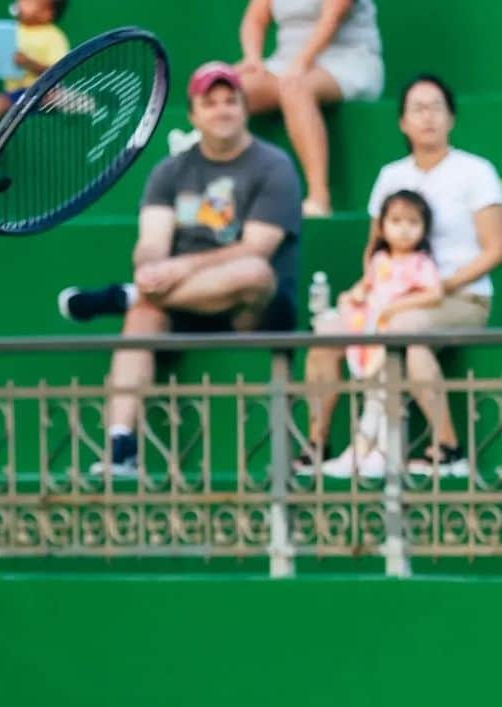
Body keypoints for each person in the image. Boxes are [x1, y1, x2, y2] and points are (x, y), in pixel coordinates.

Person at [57, 62, 302, 474]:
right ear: (193, 115)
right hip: (183, 304)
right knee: (141, 315)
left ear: (244, 108)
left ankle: (124, 295)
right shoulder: (170, 171)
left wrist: (174, 271)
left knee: (254, 272)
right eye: (211, 102)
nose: (222, 110)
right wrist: (152, 268)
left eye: (231, 101)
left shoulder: (273, 166)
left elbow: (257, 248)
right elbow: (151, 242)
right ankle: (121, 445)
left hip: (251, 308)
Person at [301, 74, 502, 478]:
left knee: (405, 332)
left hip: (460, 298)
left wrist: (440, 286)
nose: (427, 117)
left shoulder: (475, 172)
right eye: (417, 108)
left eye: (436, 108)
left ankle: (447, 448)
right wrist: (369, 293)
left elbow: (495, 248)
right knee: (326, 332)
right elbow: (374, 249)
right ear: (402, 122)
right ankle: (318, 445)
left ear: (451, 118)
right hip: (389, 297)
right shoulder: (391, 176)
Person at [317, 190, 443, 478]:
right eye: (396, 220)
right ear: (382, 225)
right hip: (371, 340)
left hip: (392, 340)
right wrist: (351, 298)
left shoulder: (421, 263)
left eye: (412, 222)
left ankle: (388, 452)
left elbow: (434, 293)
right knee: (372, 398)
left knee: (389, 397)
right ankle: (360, 452)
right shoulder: (379, 261)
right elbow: (363, 290)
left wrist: (395, 307)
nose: (403, 228)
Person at [236, 0, 384, 217]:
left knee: (296, 88)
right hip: (285, 64)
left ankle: (319, 198)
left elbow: (332, 17)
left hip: (348, 60)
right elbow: (255, 19)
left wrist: (301, 64)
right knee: (229, 90)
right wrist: (253, 58)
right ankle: (234, 193)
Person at [0, 0, 70, 149]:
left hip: (44, 91)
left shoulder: (54, 36)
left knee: (58, 96)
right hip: (16, 93)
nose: (22, 2)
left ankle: (84, 105)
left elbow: (57, 69)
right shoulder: (11, 31)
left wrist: (27, 62)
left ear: (46, 14)